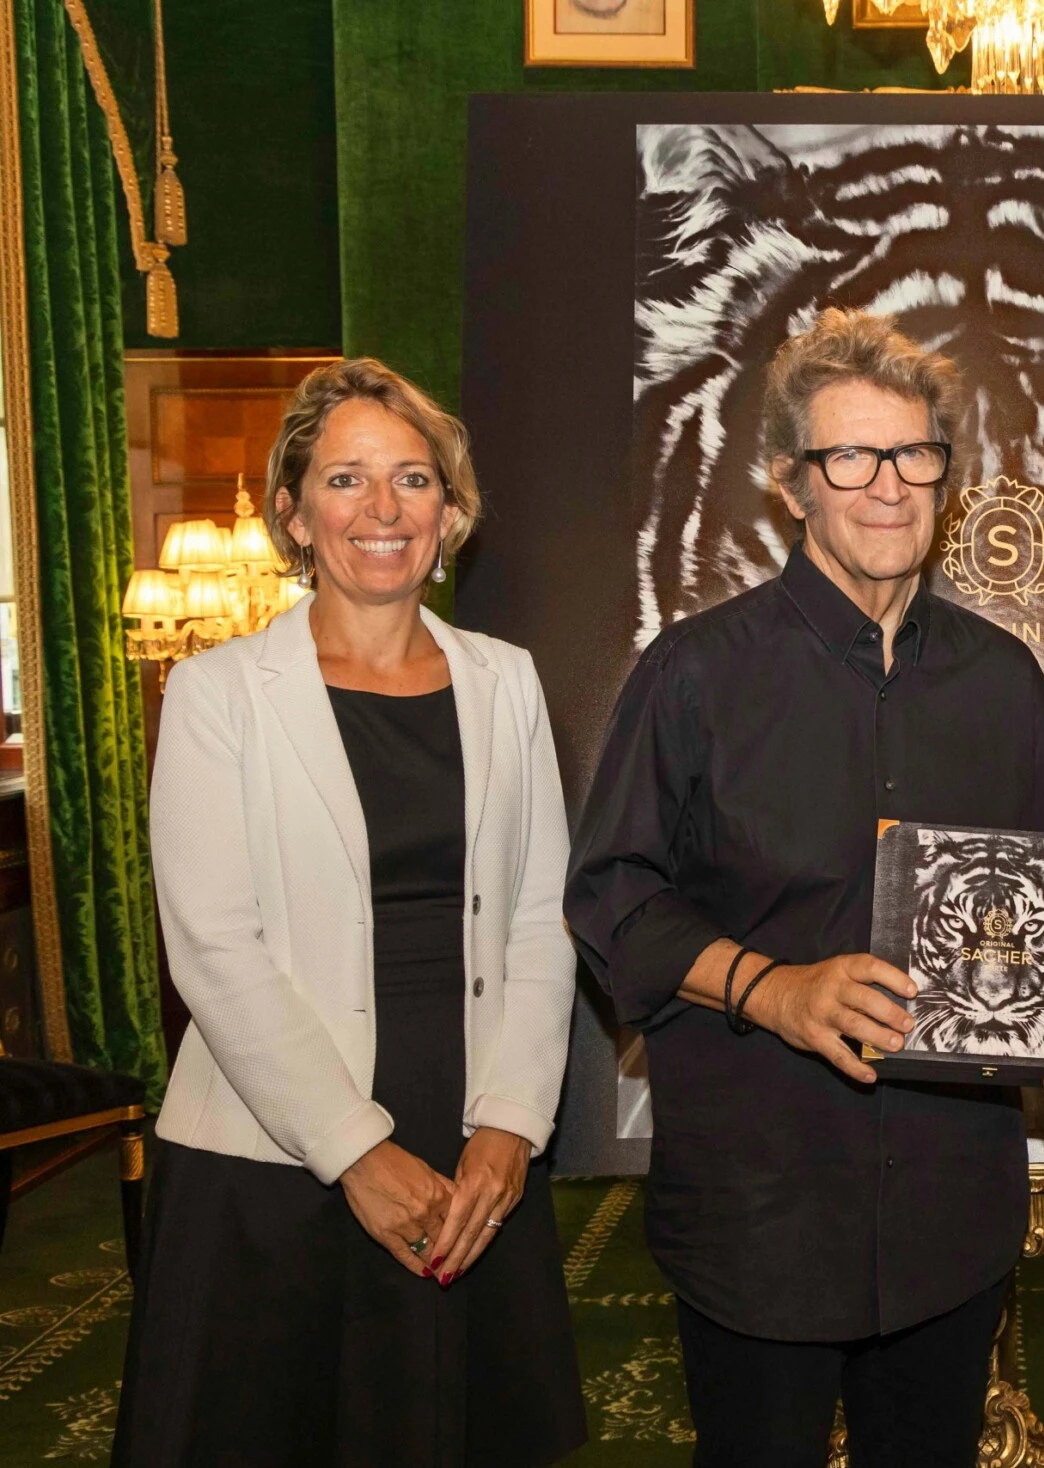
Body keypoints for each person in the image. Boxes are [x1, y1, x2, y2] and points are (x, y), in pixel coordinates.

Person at [563, 308, 1044, 1468]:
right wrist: (773, 989)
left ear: (946, 474)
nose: (887, 486)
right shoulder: (695, 672)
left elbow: (1037, 925)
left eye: (914, 455)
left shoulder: (1001, 681)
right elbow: (612, 899)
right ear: (792, 484)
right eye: (850, 458)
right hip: (760, 1210)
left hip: (947, 1216)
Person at [115, 359, 587, 1465]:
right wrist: (356, 1151)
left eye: (413, 478)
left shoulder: (507, 680)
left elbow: (539, 918)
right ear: (292, 511)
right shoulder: (218, 691)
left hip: (471, 1140)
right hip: (274, 1148)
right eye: (345, 480)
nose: (382, 510)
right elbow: (214, 950)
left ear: (451, 511)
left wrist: (512, 1126)